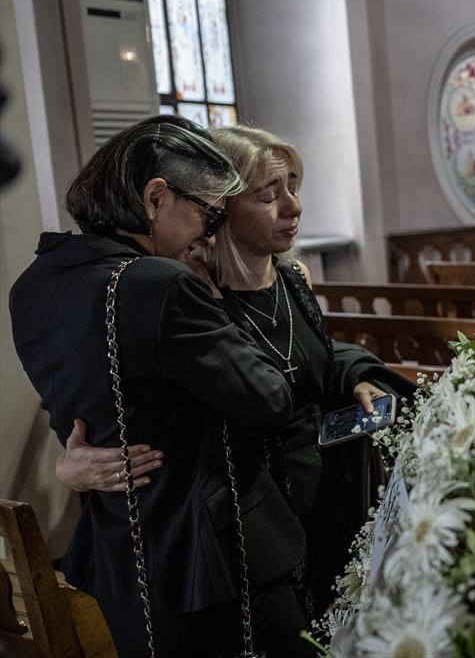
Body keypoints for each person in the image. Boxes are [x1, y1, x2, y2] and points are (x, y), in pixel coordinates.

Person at [57, 123, 416, 619]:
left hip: (327, 494)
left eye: (294, 187)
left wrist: (355, 376)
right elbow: (137, 406)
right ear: (221, 208)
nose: (293, 206)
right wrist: (69, 467)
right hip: (254, 516)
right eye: (269, 194)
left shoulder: (294, 277)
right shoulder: (188, 297)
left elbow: (316, 355)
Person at [8, 116, 316, 657]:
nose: (211, 233)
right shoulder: (159, 284)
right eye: (209, 213)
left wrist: (69, 464)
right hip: (213, 556)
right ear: (155, 198)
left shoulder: (33, 285)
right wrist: (214, 300)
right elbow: (269, 400)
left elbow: (96, 411)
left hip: (125, 554)